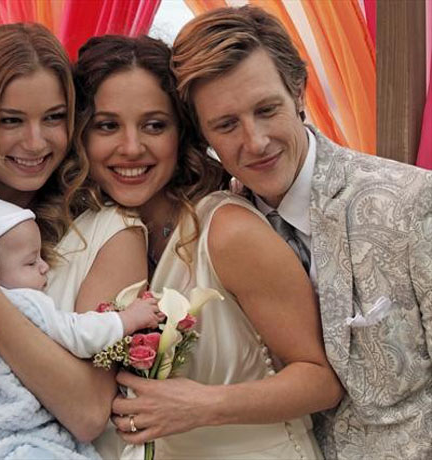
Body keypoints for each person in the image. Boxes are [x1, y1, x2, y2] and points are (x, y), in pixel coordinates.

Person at [171, 5, 432, 459]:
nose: (255, 141)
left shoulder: (409, 201)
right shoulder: (214, 230)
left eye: (266, 109)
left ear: (298, 92)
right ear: (203, 134)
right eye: (226, 124)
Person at [71, 34, 344, 459]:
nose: (132, 147)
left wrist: (205, 405)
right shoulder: (89, 236)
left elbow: (321, 380)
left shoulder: (227, 230)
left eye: (154, 125)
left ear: (183, 133)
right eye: (107, 125)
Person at [0, 23, 148, 455]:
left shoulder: (109, 233)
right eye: (11, 120)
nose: (36, 142)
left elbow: (89, 412)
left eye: (53, 117)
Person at [0, 187, 162, 458]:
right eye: (31, 262)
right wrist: (126, 319)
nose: (44, 267)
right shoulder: (26, 302)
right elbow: (80, 332)